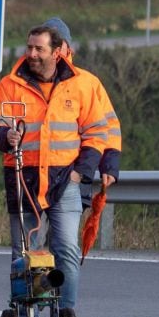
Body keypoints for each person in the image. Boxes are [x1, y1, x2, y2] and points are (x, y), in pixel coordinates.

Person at [0, 25, 111, 317]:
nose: (32, 54)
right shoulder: (10, 85)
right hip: (22, 177)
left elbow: (98, 132)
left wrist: (81, 173)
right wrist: (3, 137)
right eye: (29, 47)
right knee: (24, 254)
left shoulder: (82, 84)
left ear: (57, 52)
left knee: (65, 248)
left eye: (39, 49)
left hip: (64, 178)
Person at [42, 17, 121, 191]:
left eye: (58, 43)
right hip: (33, 179)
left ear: (69, 49)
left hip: (74, 176)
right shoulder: (25, 83)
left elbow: (109, 127)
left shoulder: (88, 83)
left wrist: (107, 164)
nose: (54, 49)